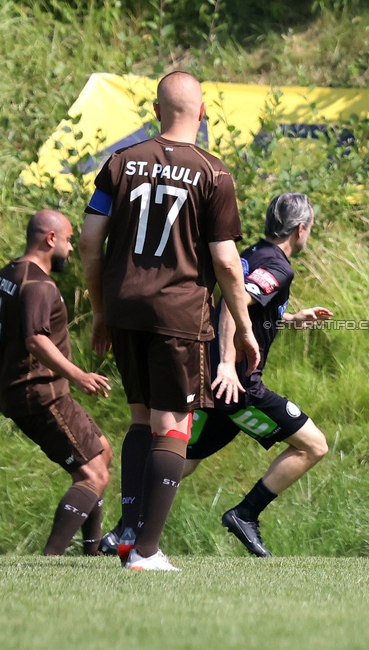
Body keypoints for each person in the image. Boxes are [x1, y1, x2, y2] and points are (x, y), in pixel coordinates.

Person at [79, 71, 260, 572]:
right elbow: (226, 263)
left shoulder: (119, 162)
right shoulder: (213, 173)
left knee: (140, 418)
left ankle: (127, 532)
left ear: (157, 111)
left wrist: (99, 308)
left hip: (123, 306)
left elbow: (90, 241)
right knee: (172, 424)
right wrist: (243, 329)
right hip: (177, 313)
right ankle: (146, 551)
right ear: (202, 114)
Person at [101, 193, 332, 558]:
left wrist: (290, 318)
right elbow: (231, 299)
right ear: (301, 229)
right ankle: (245, 514)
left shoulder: (256, 252)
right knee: (314, 445)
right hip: (237, 386)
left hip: (212, 378)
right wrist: (227, 363)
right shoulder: (279, 266)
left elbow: (247, 307)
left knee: (183, 459)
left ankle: (124, 528)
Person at [0, 209, 114, 556]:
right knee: (93, 476)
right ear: (50, 239)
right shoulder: (38, 284)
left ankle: (91, 550)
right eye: (67, 239)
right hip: (41, 392)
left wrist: (14, 351)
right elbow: (36, 339)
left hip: (24, 389)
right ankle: (50, 559)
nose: (69, 247)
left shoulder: (7, 274)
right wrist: (78, 374)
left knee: (103, 452)